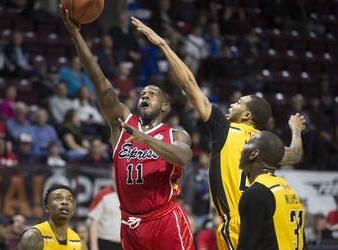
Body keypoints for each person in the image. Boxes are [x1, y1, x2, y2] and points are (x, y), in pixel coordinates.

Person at [131, 17, 306, 250]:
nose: (233, 104)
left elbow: (189, 84)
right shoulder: (266, 147)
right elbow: (294, 155)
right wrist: (295, 130)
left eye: (240, 103)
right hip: (267, 224)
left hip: (236, 226)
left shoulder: (225, 130)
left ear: (246, 116)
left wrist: (164, 45)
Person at [60, 6, 194, 250]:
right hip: (130, 223)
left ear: (164, 106)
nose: (144, 96)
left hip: (164, 219)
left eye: (152, 94)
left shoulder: (175, 134)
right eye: (142, 93)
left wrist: (145, 139)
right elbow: (100, 82)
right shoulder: (123, 124)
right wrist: (75, 35)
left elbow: (184, 157)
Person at [237, 131, 306, 249]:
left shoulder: (256, 193)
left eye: (248, 143)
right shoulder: (287, 189)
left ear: (254, 153)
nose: (243, 146)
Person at [18, 184, 88, 250]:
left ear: (72, 211)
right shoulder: (33, 237)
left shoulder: (80, 245)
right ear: (47, 208)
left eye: (69, 199)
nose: (65, 202)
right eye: (57, 198)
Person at [88, 173, 122, 250]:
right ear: (111, 174)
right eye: (114, 169)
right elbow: (94, 221)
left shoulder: (131, 195)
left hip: (125, 244)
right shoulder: (102, 194)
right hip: (105, 243)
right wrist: (94, 247)